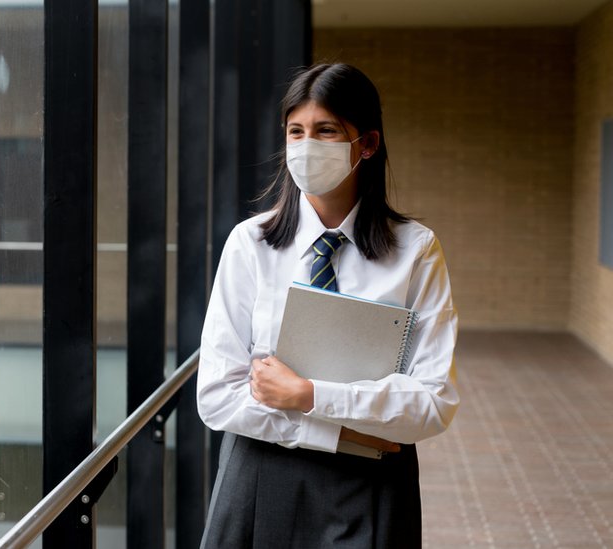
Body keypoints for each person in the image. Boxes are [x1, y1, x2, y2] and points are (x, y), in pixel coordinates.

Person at [197, 63, 459, 548]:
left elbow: (432, 401)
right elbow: (217, 394)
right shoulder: (250, 244)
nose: (306, 146)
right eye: (295, 131)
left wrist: (308, 395)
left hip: (372, 486)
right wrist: (340, 432)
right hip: (260, 474)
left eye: (326, 131)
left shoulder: (417, 251)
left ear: (368, 144)